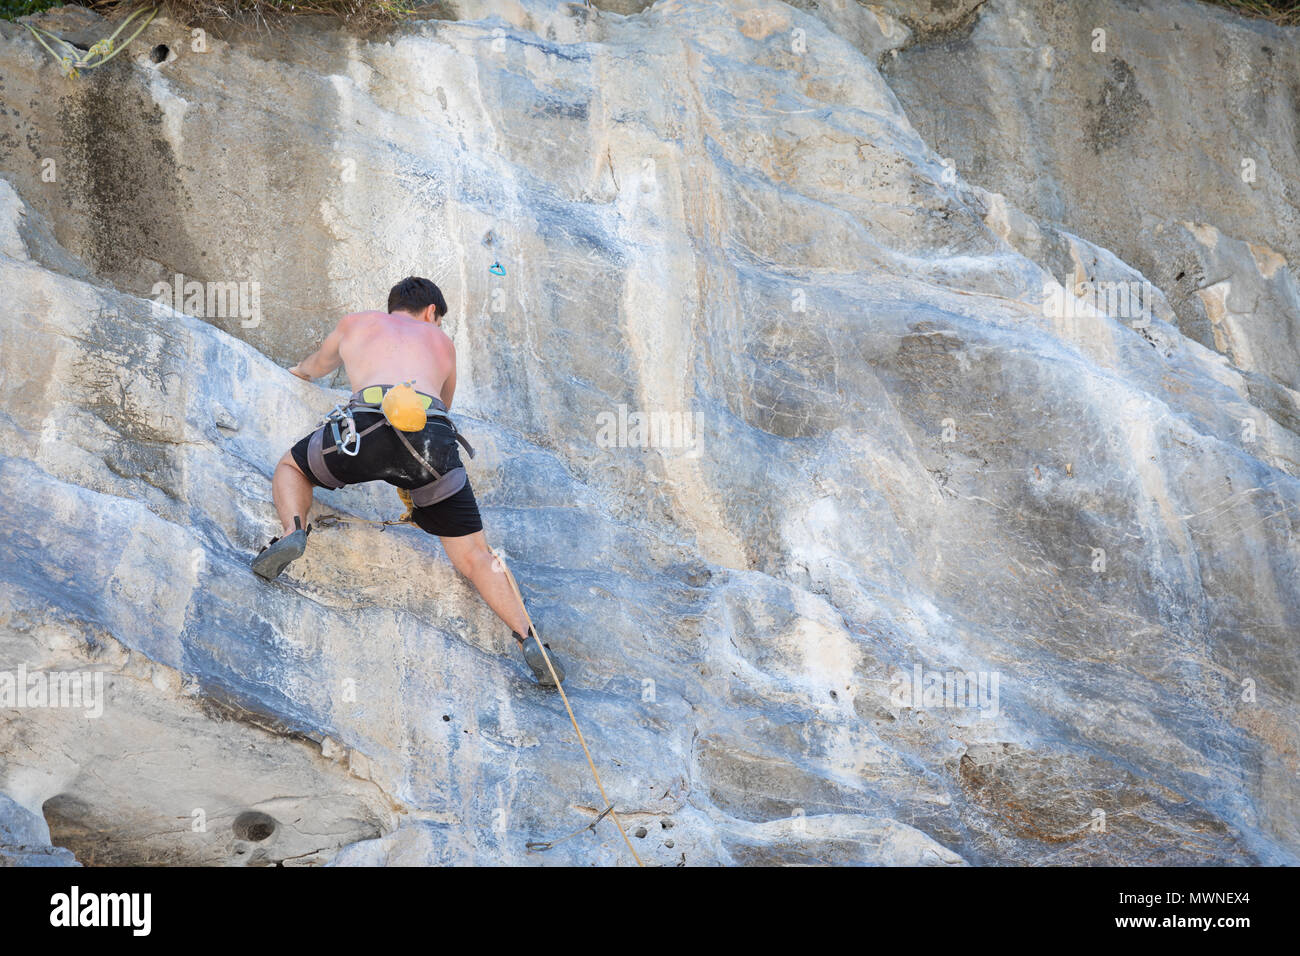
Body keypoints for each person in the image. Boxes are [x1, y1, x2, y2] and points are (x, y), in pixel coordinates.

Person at [250, 276, 564, 686]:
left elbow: (313, 368)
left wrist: (294, 372)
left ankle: (292, 531)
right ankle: (528, 636)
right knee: (475, 555)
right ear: (432, 313)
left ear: (392, 306)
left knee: (292, 468)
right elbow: (443, 409)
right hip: (429, 439)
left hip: (364, 430)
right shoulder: (442, 344)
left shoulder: (355, 324)